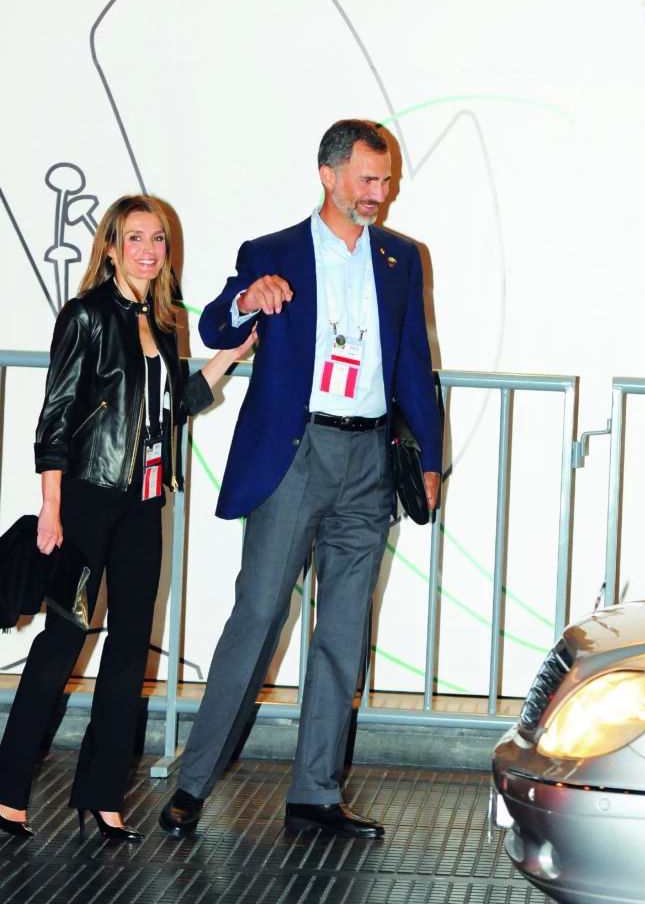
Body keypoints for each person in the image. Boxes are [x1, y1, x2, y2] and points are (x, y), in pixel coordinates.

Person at [159, 119, 442, 840]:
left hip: (369, 460)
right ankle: (193, 782)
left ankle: (315, 792)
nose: (379, 193)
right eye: (367, 179)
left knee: (343, 631)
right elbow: (216, 329)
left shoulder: (402, 259)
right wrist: (247, 300)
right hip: (295, 455)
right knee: (257, 616)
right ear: (329, 175)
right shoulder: (272, 252)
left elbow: (415, 363)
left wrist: (430, 459)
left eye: (387, 181)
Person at [0, 194, 255, 841]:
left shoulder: (163, 321)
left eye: (158, 239)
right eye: (135, 237)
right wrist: (51, 508)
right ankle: (6, 792)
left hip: (145, 502)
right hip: (85, 500)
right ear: (110, 248)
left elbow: (176, 404)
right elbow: (56, 417)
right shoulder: (85, 316)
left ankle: (103, 795)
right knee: (62, 642)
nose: (149, 249)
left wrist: (228, 357)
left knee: (129, 649)